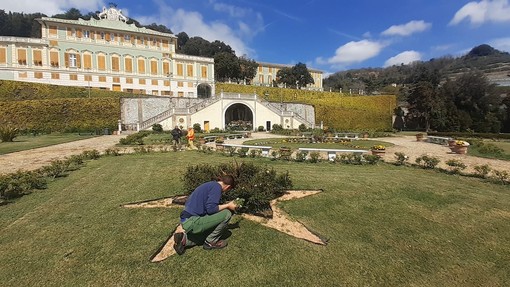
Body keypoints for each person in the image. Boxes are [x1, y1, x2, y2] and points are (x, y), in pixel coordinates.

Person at [173, 175, 238, 255]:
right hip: (192, 221)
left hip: (186, 219)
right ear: (228, 187)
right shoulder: (217, 188)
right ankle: (210, 243)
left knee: (208, 232)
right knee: (227, 213)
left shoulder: (211, 185)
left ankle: (183, 240)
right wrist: (228, 205)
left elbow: (208, 207)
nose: (226, 192)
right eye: (228, 190)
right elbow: (211, 209)